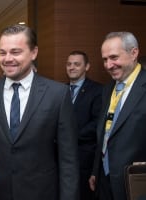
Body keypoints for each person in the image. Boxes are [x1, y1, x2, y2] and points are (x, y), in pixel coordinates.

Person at [0, 24, 79, 200]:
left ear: (34, 53)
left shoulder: (57, 94)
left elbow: (69, 158)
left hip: (41, 193)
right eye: (3, 53)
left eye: (15, 52)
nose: (7, 58)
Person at [89, 31, 146, 200]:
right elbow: (106, 134)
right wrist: (95, 171)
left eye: (113, 57)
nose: (108, 65)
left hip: (135, 184)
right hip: (104, 181)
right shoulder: (107, 89)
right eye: (105, 59)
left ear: (133, 53)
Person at [66, 50, 102, 200]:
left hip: (84, 156)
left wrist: (69, 136)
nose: (71, 67)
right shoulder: (59, 90)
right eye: (68, 64)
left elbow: (97, 123)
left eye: (76, 64)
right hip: (61, 156)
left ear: (86, 67)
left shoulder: (98, 90)